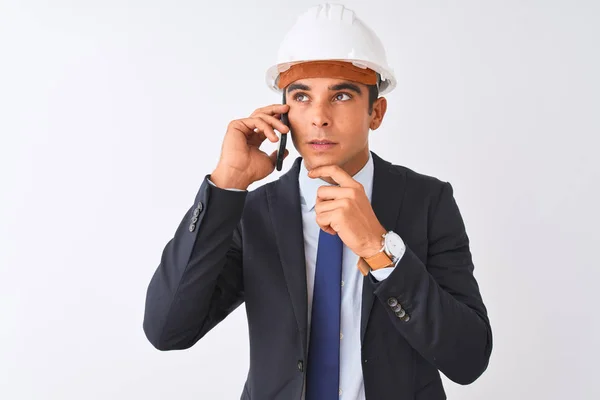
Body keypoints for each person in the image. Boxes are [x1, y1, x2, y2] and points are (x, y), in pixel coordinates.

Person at [143, 3, 492, 399]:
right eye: (302, 97)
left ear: (376, 111)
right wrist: (226, 185)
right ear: (283, 111)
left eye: (341, 96)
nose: (319, 117)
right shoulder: (254, 210)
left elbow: (469, 359)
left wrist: (381, 251)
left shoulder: (428, 201)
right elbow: (167, 329)